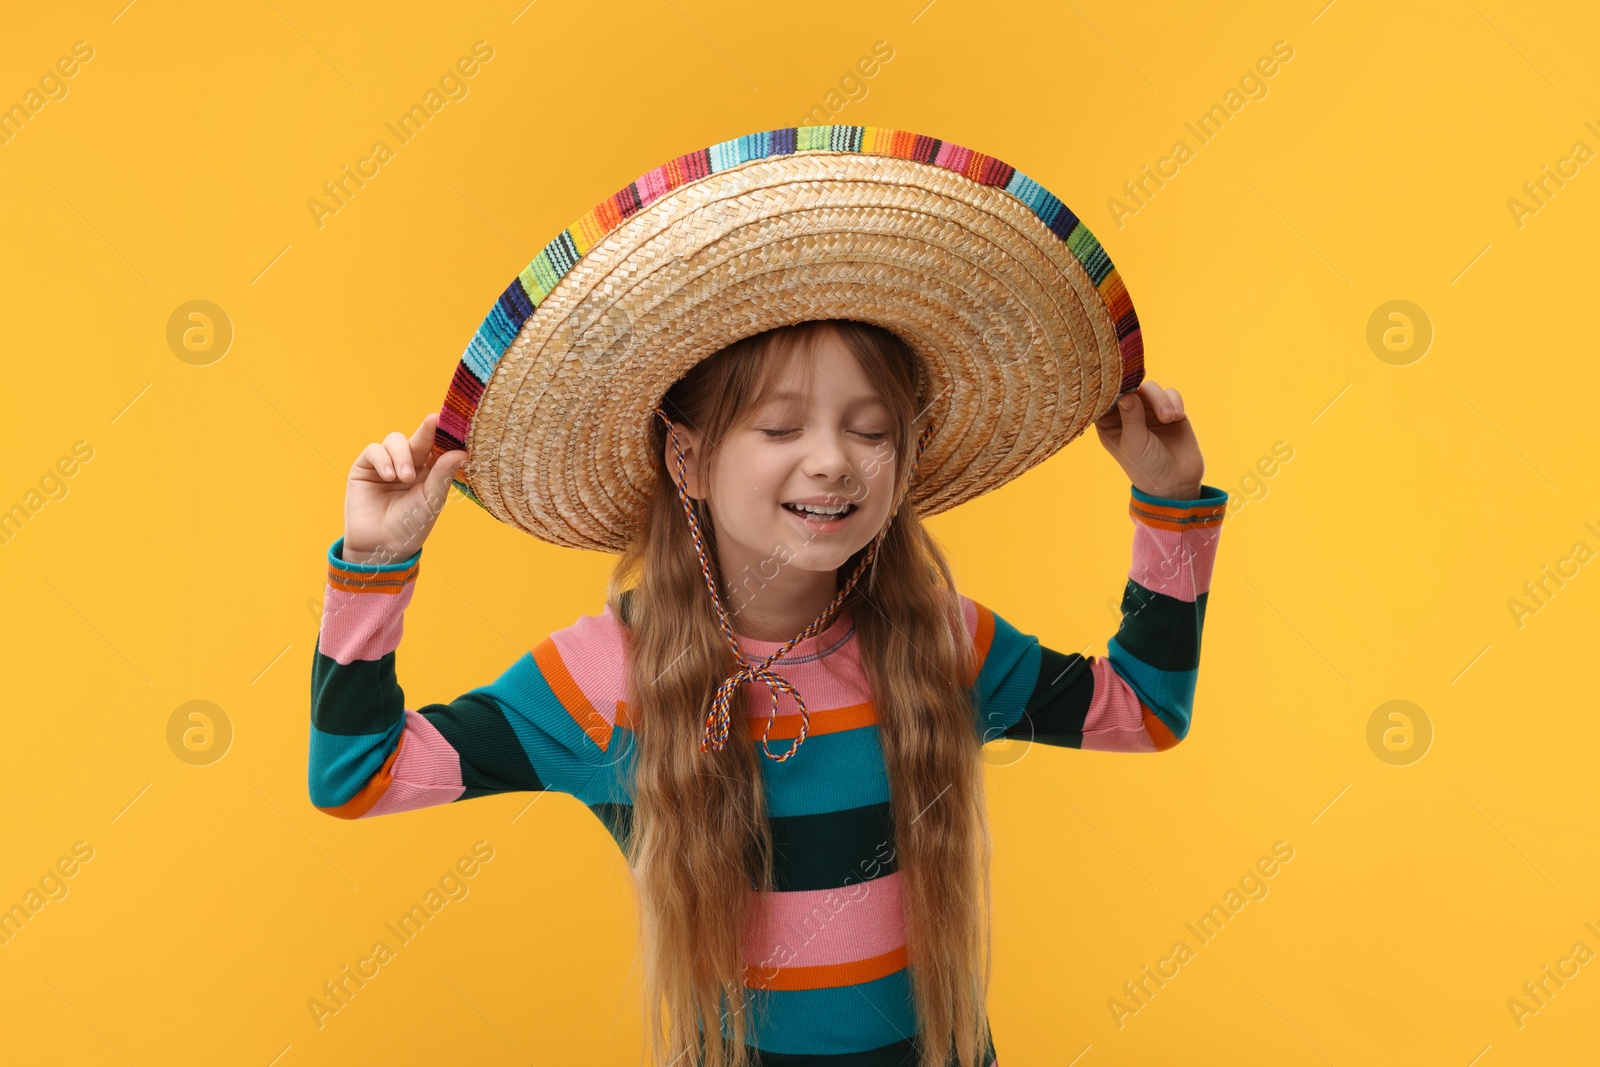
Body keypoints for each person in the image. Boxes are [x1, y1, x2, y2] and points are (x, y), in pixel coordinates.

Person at [308, 128, 1228, 1067]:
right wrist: (376, 562)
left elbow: (1146, 710)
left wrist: (1170, 503)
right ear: (690, 458)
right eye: (781, 425)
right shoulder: (600, 680)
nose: (831, 459)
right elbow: (356, 775)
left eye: (870, 429)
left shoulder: (942, 647)